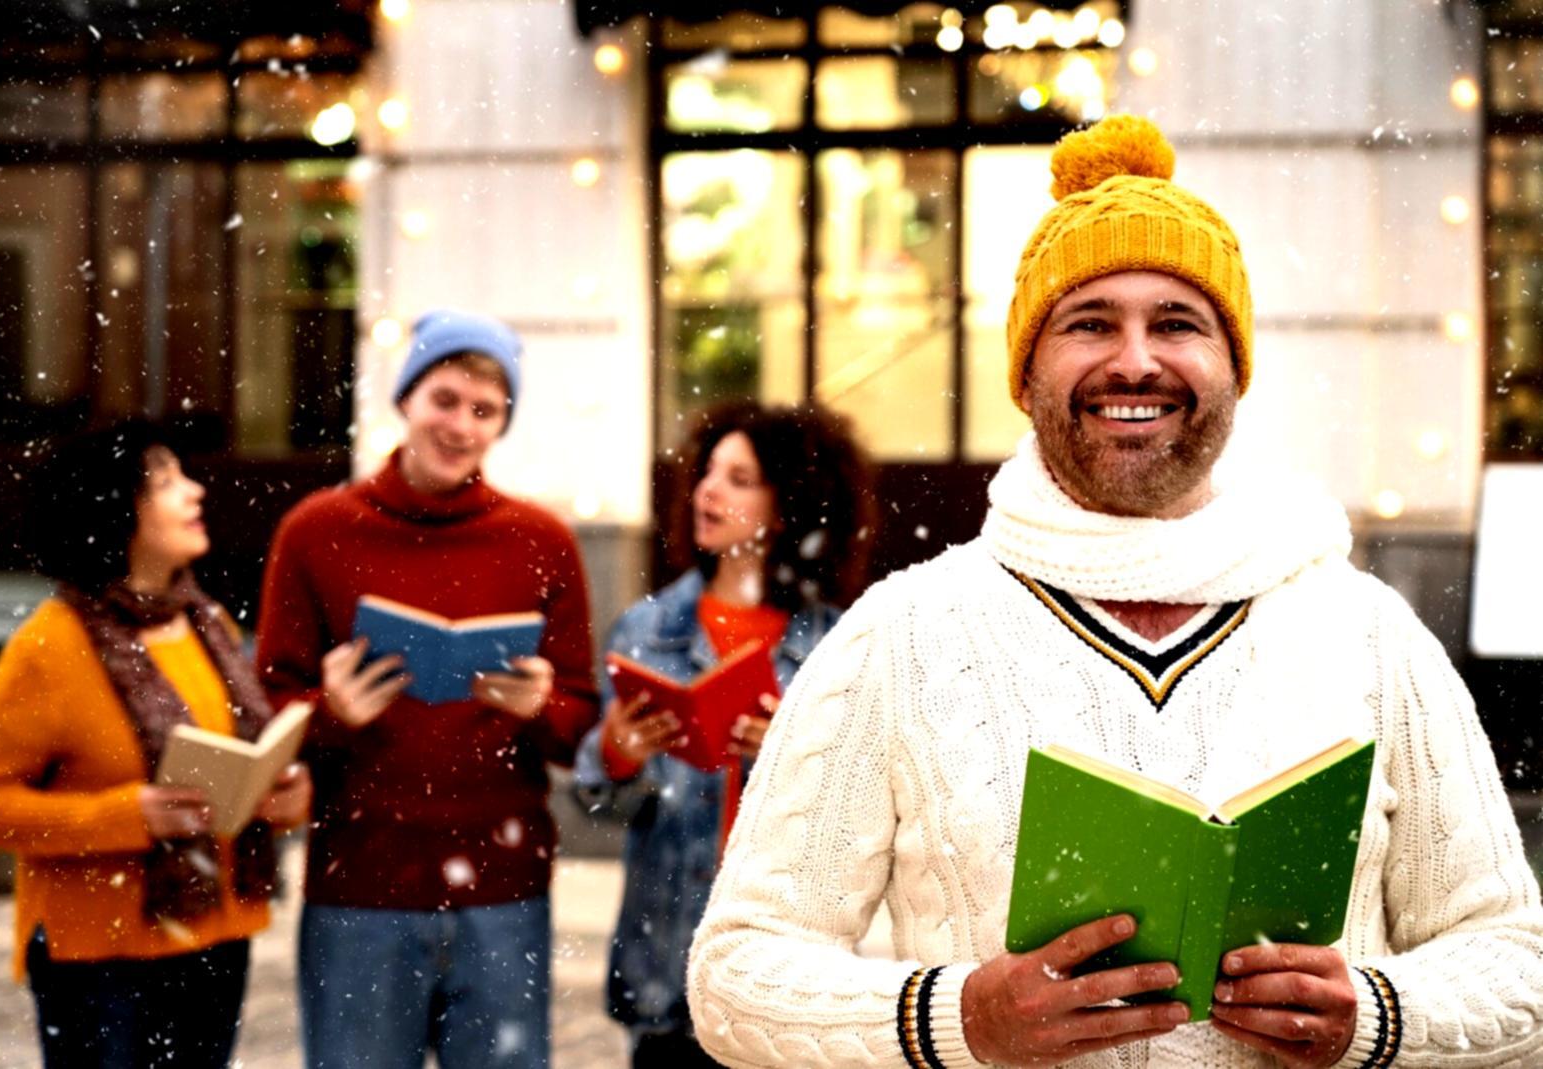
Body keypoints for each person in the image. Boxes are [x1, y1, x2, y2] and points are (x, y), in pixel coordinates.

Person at [687, 115, 1543, 1068]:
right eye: (1089, 323)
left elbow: (1517, 964)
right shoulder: (903, 632)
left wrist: (1376, 1016)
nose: (1134, 361)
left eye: (1177, 323)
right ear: (1027, 371)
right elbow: (736, 972)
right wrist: (956, 1018)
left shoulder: (1366, 631)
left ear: (1232, 369)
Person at [256, 310, 598, 1069]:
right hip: (360, 886)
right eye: (445, 399)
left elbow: (583, 724)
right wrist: (329, 715)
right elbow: (267, 708)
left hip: (503, 890)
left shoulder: (543, 542)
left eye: (486, 410)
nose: (462, 425)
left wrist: (541, 705)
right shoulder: (315, 532)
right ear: (405, 397)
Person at [0, 420, 311, 1069]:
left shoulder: (208, 625)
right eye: (169, 481)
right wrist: (125, 816)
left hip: (213, 937)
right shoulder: (49, 646)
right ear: (115, 508)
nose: (196, 492)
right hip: (100, 962)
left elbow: (230, 766)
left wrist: (280, 796)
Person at [574, 401, 873, 1068]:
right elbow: (595, 803)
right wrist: (617, 756)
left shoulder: (839, 644)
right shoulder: (647, 633)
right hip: (669, 978)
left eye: (739, 479)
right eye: (708, 473)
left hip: (792, 982)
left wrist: (793, 762)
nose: (708, 490)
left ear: (787, 503)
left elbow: (866, 827)